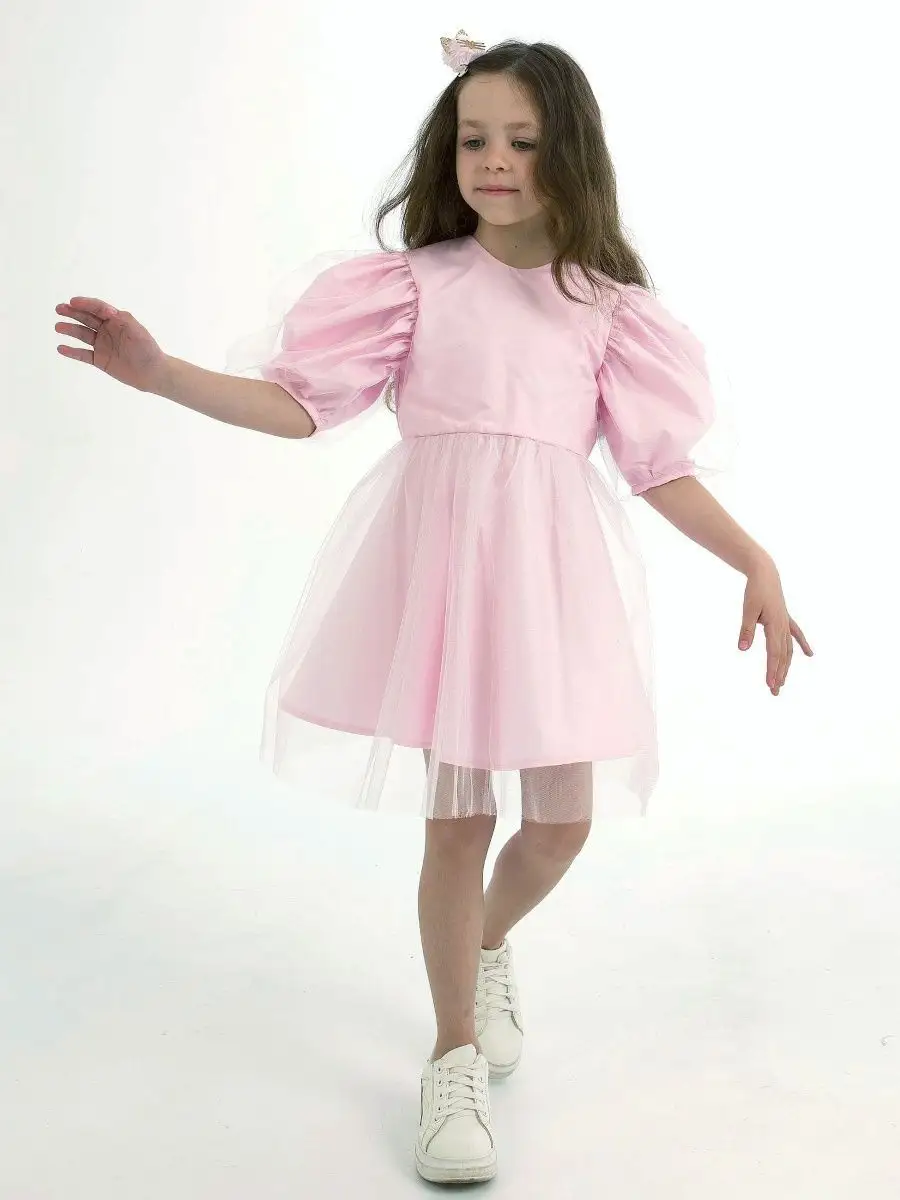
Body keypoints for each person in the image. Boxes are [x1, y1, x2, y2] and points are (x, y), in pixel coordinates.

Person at [54, 30, 813, 1187]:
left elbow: (657, 468)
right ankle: (452, 1051)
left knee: (560, 824)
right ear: (446, 151)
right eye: (474, 139)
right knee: (456, 822)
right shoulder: (415, 286)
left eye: (523, 140)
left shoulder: (606, 310)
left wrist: (753, 556)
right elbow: (300, 408)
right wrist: (161, 374)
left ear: (571, 153)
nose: (494, 160)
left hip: (549, 590)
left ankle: (486, 942)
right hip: (445, 583)